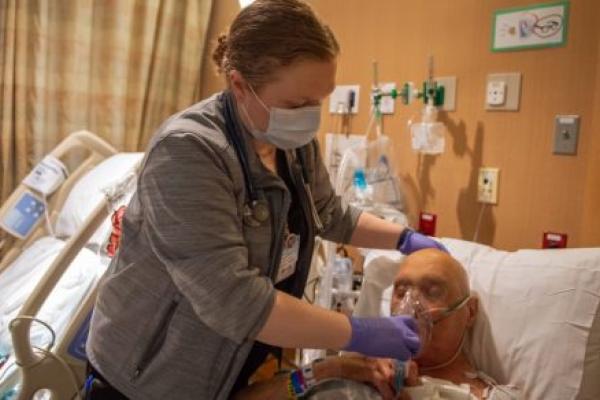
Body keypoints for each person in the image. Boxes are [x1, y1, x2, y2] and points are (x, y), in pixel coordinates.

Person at [85, 1, 446, 399]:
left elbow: (327, 212)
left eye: (319, 101)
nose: (310, 117)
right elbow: (234, 299)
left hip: (236, 365)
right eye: (296, 105)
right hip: (151, 378)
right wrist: (360, 332)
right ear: (240, 86)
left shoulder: (292, 144)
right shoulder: (187, 152)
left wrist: (404, 239)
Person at [267, 249, 519, 400]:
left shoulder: (495, 396)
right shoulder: (355, 372)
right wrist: (327, 370)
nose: (410, 304)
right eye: (401, 290)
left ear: (470, 312)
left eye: (432, 291)